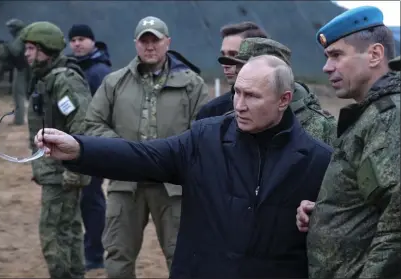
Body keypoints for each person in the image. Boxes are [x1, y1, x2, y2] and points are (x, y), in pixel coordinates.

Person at [34, 54, 333, 278]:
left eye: (252, 96)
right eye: (237, 93)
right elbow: (142, 157)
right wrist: (80, 149)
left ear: (284, 100)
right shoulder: (205, 139)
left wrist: (319, 217)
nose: (239, 104)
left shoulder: (318, 161)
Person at [83, 16, 209, 278]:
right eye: (144, 41)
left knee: (183, 255)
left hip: (175, 186)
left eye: (156, 40)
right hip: (125, 182)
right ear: (135, 44)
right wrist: (123, 152)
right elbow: (93, 122)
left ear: (168, 43)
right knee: (117, 256)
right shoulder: (114, 83)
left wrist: (178, 157)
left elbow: (204, 130)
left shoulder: (191, 84)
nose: (150, 46)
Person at [295, 6, 400, 279]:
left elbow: (397, 222)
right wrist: (329, 212)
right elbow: (374, 196)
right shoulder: (371, 114)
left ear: (375, 54)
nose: (326, 67)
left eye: (336, 55)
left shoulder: (388, 117)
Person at [20, 21, 93, 279]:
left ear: (46, 49)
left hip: (63, 174)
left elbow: (82, 125)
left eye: (31, 48)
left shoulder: (64, 80)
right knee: (68, 230)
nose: (26, 53)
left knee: (54, 234)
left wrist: (74, 171)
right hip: (55, 173)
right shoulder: (47, 78)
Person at [219, 37, 337, 145]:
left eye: (254, 72)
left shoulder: (322, 127)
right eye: (239, 71)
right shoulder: (226, 124)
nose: (243, 78)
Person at [68, 23, 112, 271]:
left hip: (93, 145)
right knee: (85, 201)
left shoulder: (99, 71)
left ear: (92, 41)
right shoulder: (75, 68)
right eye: (73, 39)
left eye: (82, 38)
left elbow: (105, 110)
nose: (77, 43)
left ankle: (95, 254)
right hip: (75, 144)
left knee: (92, 200)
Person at [196, 22, 268, 120]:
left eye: (233, 54)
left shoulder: (284, 107)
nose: (225, 63)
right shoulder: (212, 112)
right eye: (223, 54)